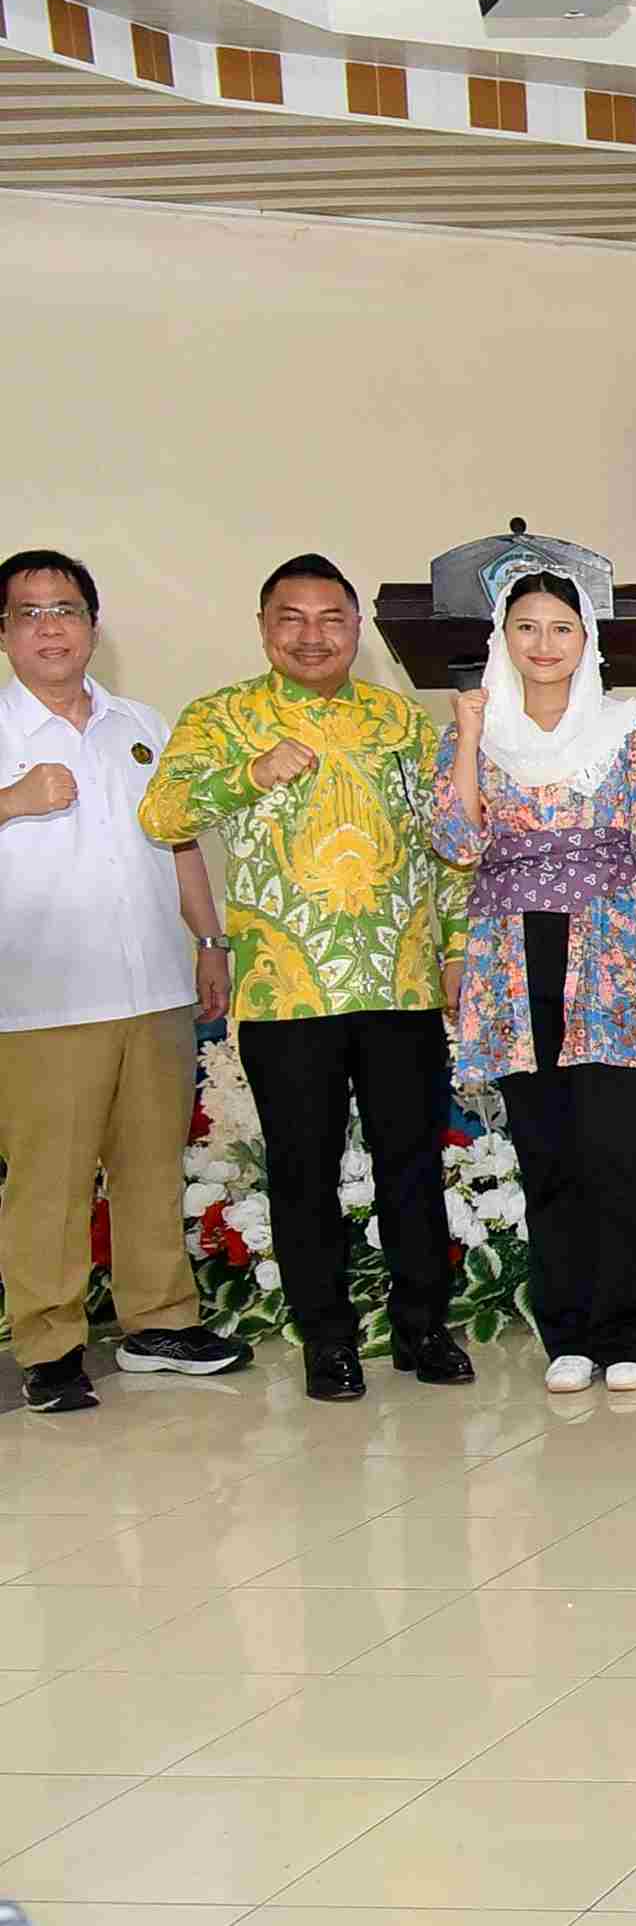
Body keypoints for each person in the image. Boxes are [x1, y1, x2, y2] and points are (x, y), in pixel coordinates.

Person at [143, 555, 471, 1404]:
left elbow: (450, 845)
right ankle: (327, 1341)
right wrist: (247, 774)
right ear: (263, 627)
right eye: (292, 617)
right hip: (288, 992)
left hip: (400, 986)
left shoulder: (400, 720)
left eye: (331, 618)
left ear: (357, 630)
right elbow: (161, 815)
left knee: (411, 1165)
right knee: (302, 1171)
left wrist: (462, 950)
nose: (312, 635)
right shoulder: (223, 718)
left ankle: (423, 1329)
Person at [0, 548, 247, 1414]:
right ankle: (49, 1343)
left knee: (153, 1167)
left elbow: (178, 839)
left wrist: (210, 940)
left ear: (94, 627)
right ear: (4, 633)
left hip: (155, 986)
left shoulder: (141, 721)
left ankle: (159, 1322)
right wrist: (11, 799)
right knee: (50, 1180)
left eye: (65, 609)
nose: (50, 627)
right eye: (28, 613)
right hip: (42, 999)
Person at [432, 567, 636, 1396]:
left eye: (561, 629)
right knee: (544, 1154)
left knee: (612, 1150)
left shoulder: (630, 727)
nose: (544, 646)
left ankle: (634, 1328)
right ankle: (569, 1330)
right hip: (511, 964)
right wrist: (470, 737)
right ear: (502, 639)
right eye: (526, 628)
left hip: (610, 956)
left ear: (589, 641)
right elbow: (456, 843)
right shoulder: (477, 731)